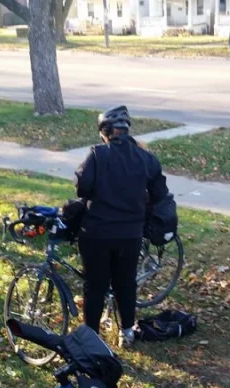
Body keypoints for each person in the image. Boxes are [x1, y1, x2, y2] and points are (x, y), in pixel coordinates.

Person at [74, 105, 169, 347]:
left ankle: (92, 337)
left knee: (95, 285)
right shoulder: (146, 158)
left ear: (105, 132)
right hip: (130, 233)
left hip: (97, 232)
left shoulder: (97, 154)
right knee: (125, 283)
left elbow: (82, 187)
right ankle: (127, 332)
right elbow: (160, 193)